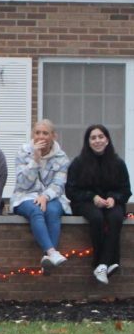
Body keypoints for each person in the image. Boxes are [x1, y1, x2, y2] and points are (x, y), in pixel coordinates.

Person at [65, 124, 131, 284]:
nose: (97, 141)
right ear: (88, 142)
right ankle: (108, 261)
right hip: (85, 202)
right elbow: (71, 191)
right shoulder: (78, 163)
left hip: (111, 202)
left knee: (116, 218)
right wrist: (92, 197)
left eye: (101, 137)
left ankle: (101, 264)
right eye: (93, 138)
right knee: (97, 218)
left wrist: (114, 198)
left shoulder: (118, 163)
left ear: (107, 140)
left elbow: (126, 190)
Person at [11, 119, 71, 269]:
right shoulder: (23, 152)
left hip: (52, 196)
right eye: (37, 133)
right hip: (25, 196)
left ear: (53, 136)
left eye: (45, 133)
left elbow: (58, 184)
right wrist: (35, 160)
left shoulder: (62, 157)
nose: (41, 136)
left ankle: (48, 260)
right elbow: (23, 183)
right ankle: (52, 252)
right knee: (36, 211)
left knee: (52, 211)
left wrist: (45, 196)